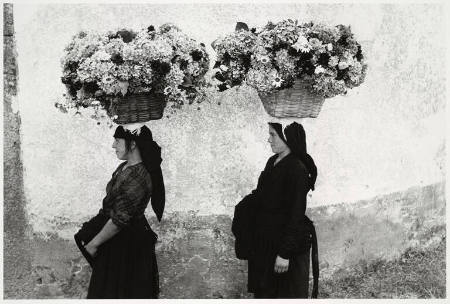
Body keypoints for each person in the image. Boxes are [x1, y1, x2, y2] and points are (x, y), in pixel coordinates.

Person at [74, 125, 165, 299]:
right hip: (117, 240)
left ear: (132, 144)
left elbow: (119, 220)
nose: (113, 145)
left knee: (121, 291)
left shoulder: (139, 176)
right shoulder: (125, 167)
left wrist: (93, 244)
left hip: (128, 245)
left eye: (117, 140)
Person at [242, 121, 318, 298]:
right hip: (267, 241)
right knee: (265, 291)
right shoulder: (273, 161)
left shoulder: (297, 169)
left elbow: (296, 214)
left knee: (284, 293)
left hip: (284, 244)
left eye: (273, 135)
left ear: (287, 138)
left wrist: (284, 254)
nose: (269, 140)